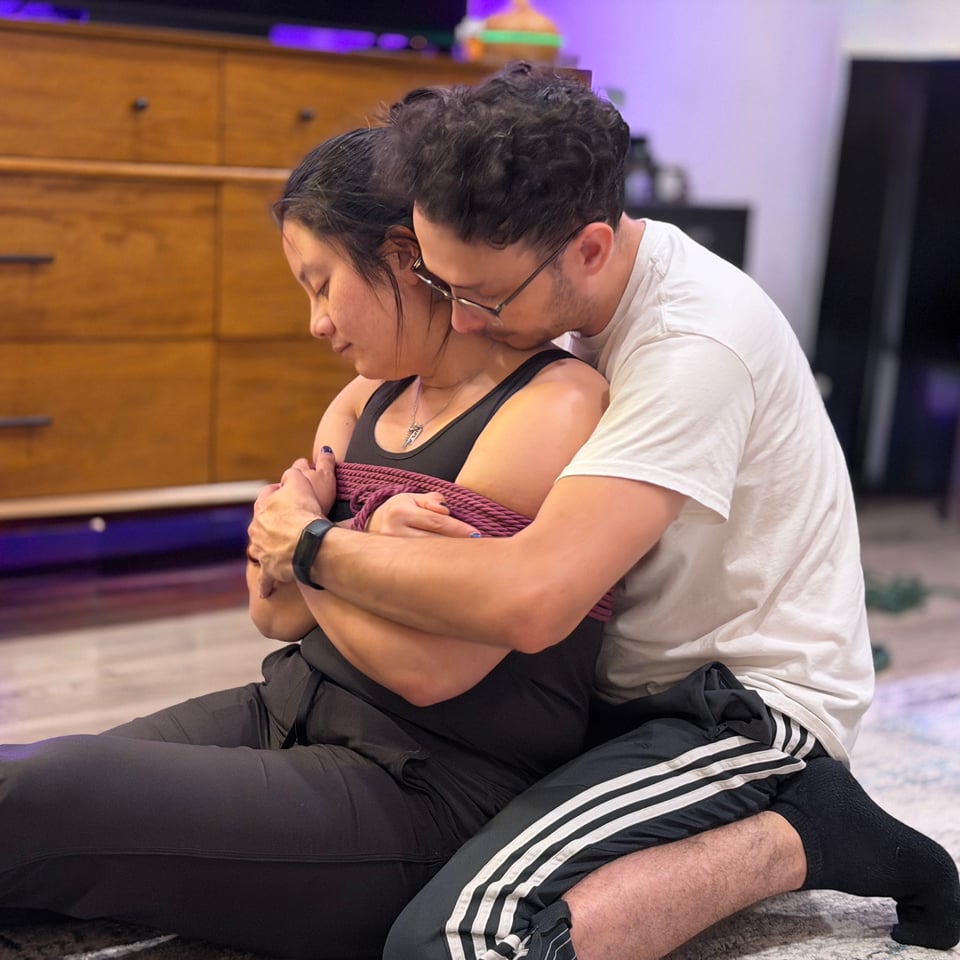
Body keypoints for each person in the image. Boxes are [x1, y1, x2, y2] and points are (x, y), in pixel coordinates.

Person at [247, 65, 960, 960]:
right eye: (443, 286)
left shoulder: (694, 343)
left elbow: (535, 595)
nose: (460, 323)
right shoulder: (555, 309)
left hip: (738, 702)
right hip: (605, 689)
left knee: (466, 939)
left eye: (482, 299)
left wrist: (311, 546)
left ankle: (807, 832)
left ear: (587, 248)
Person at [0, 127, 613, 960]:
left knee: (45, 795)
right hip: (288, 706)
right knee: (22, 784)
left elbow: (432, 669)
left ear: (405, 255)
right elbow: (272, 611)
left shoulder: (553, 404)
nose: (317, 323)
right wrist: (348, 553)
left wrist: (317, 544)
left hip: (420, 787)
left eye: (323, 285)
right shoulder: (363, 400)